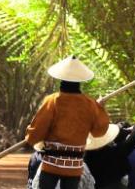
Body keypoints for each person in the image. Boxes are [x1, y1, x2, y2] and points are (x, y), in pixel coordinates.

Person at [24, 56, 112, 189]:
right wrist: (99, 108)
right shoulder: (90, 104)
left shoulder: (52, 101)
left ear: (61, 80)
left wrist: (29, 137)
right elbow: (99, 131)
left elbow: (36, 132)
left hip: (51, 166)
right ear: (79, 82)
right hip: (74, 167)